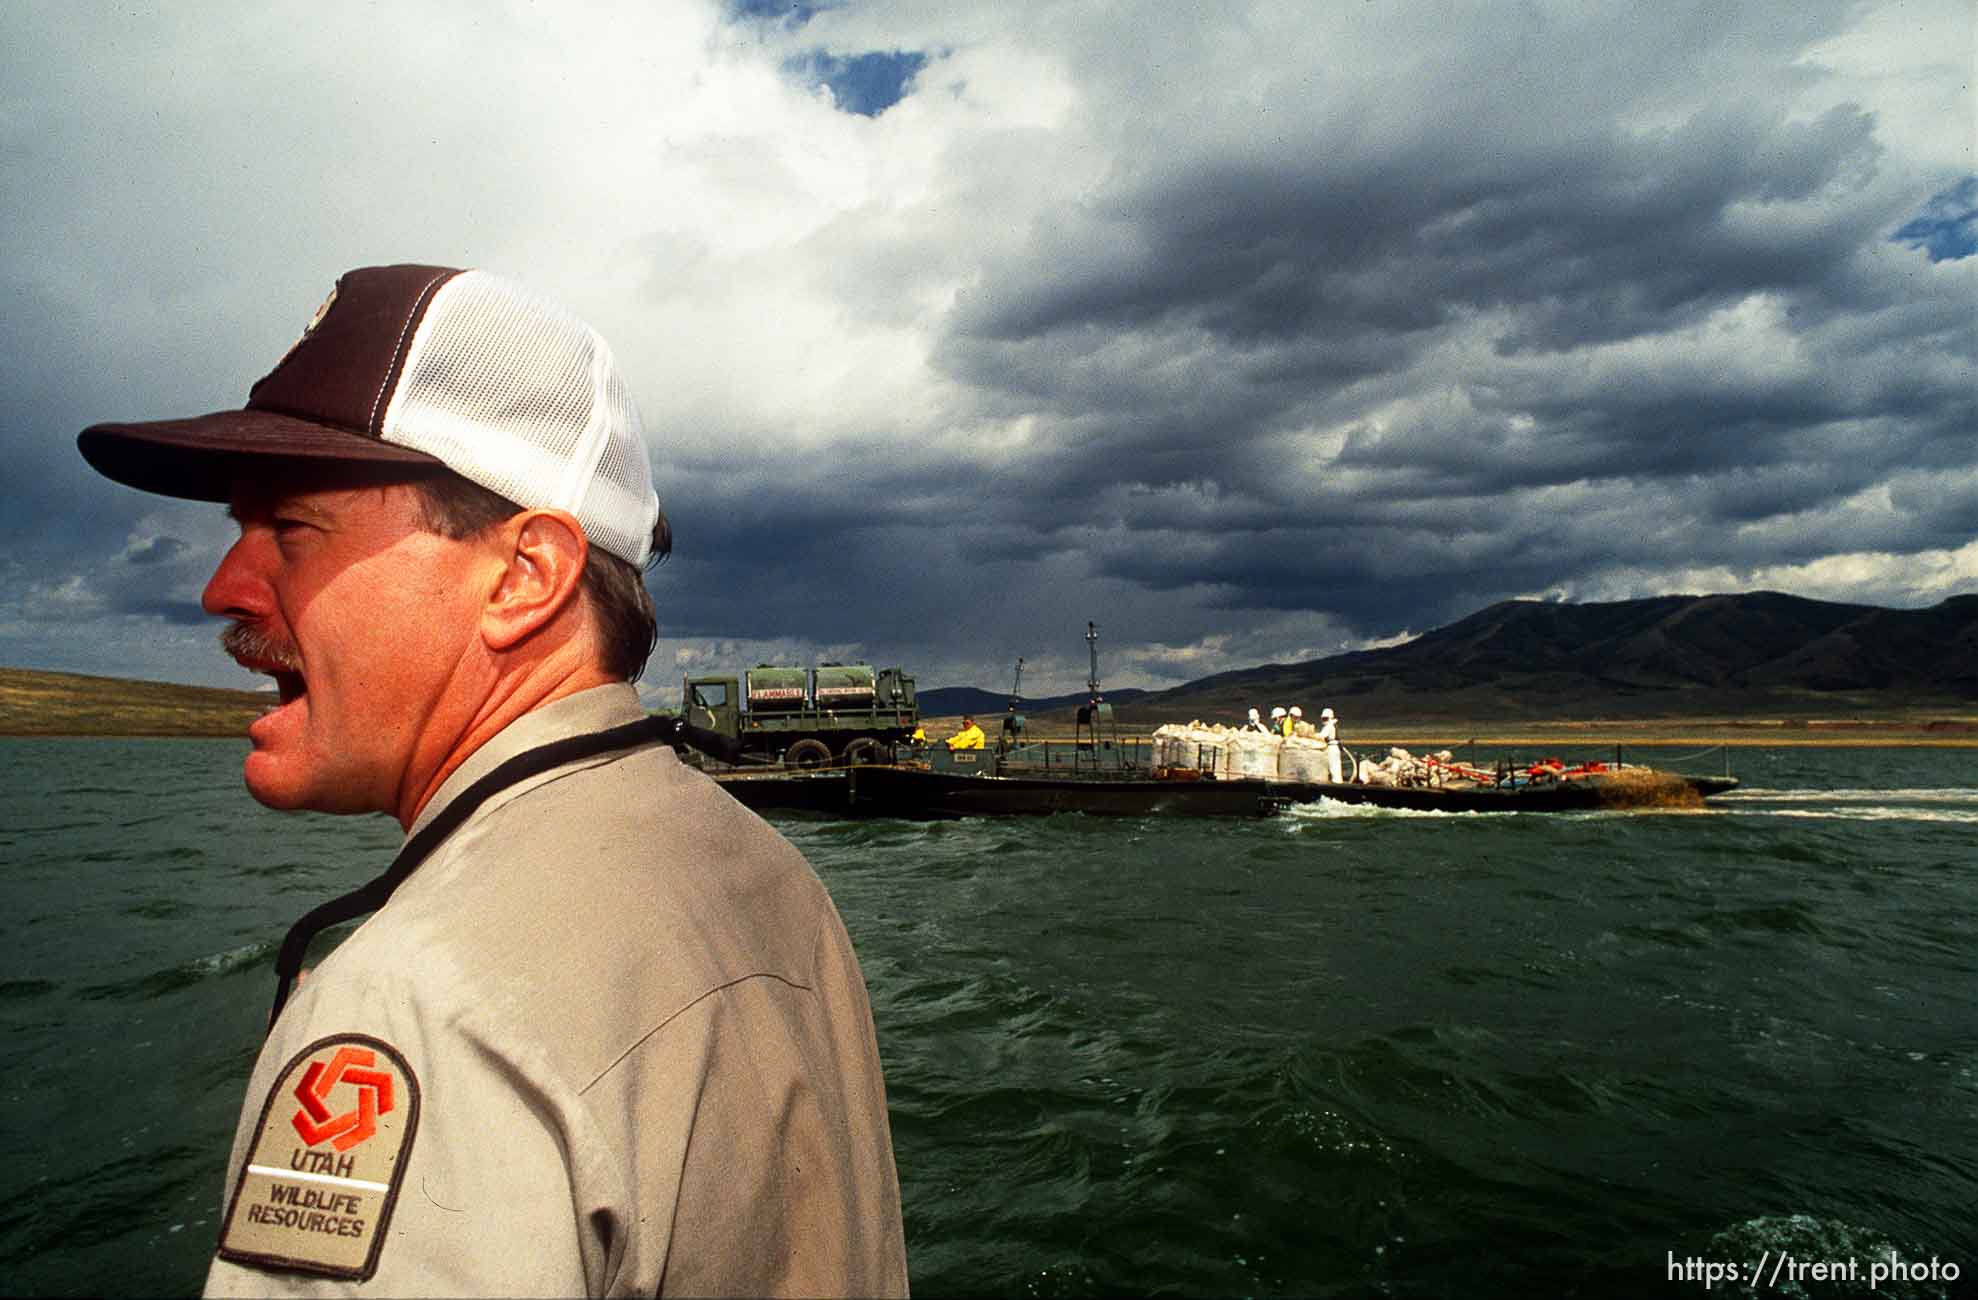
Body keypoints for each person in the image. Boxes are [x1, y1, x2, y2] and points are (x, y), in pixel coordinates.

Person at [75, 264, 908, 1297]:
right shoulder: (768, 872)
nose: (221, 590)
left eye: (288, 530)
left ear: (523, 578)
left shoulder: (421, 1006)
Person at [1318, 706, 1343, 782]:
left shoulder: (1329, 726)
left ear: (1330, 717)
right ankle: (1337, 782)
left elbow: (1321, 736)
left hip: (1332, 748)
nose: (1324, 720)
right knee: (1335, 767)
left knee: (1334, 767)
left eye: (1325, 718)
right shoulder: (1332, 725)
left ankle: (1336, 784)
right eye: (1323, 718)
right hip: (1334, 747)